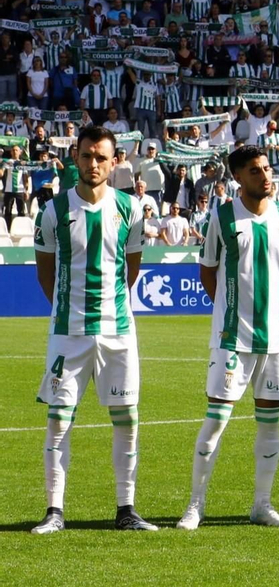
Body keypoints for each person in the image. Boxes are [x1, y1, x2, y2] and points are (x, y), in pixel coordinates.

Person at [31, 126, 154, 534]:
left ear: (115, 161)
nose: (94, 163)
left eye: (102, 157)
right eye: (87, 156)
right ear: (75, 158)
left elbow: (131, 269)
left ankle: (126, 508)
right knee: (58, 419)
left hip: (118, 331)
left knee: (127, 419)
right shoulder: (53, 210)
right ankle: (54, 511)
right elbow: (45, 271)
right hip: (68, 332)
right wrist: (67, 310)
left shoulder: (130, 208)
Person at [177, 145, 279, 531]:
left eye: (267, 169)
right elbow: (208, 270)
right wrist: (230, 311)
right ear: (237, 178)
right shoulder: (223, 215)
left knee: (270, 423)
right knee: (216, 420)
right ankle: (195, 506)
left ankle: (262, 505)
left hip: (276, 338)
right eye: (254, 171)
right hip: (233, 338)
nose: (265, 176)